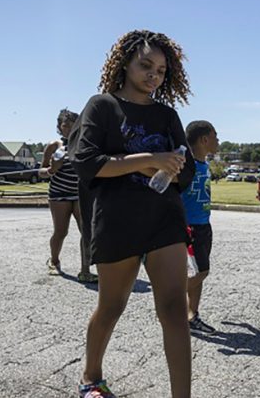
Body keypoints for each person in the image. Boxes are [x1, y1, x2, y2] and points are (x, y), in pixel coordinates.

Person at [71, 30, 196, 398]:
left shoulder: (168, 115)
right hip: (116, 221)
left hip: (165, 221)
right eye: (145, 65)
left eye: (160, 70)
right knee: (111, 306)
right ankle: (91, 377)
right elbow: (87, 162)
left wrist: (172, 167)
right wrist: (147, 161)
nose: (153, 75)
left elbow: (186, 173)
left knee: (175, 308)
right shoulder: (102, 106)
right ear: (125, 63)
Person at [39, 109, 98, 283]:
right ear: (59, 127)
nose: (69, 129)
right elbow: (40, 171)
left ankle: (85, 270)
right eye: (65, 125)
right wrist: (51, 170)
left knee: (86, 232)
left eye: (73, 125)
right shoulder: (54, 146)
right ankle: (54, 261)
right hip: (59, 194)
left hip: (81, 194)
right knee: (61, 231)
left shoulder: (85, 144)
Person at [181, 120, 219, 335]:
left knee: (198, 272)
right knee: (202, 271)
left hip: (204, 224)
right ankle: (171, 305)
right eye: (215, 136)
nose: (218, 141)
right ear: (204, 139)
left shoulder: (204, 165)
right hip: (190, 227)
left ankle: (191, 315)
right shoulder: (186, 166)